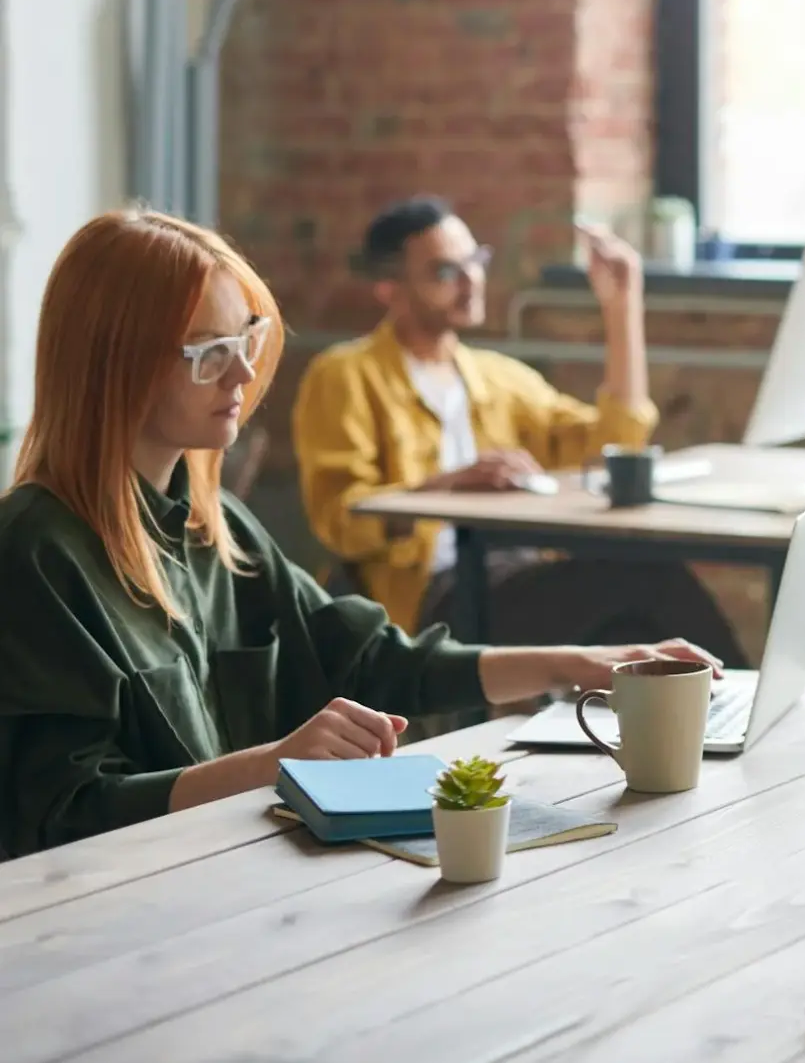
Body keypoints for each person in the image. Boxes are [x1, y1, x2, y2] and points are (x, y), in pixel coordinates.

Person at [0, 210, 724, 857]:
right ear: (116, 368)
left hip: (231, 871)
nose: (246, 371)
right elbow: (61, 819)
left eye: (247, 337)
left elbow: (378, 659)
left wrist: (577, 663)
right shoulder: (36, 552)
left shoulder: (213, 529)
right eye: (209, 353)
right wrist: (274, 763)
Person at [290, 197, 740, 661]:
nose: (471, 283)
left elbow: (614, 441)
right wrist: (447, 487)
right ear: (389, 288)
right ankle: (746, 712)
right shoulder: (345, 375)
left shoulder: (498, 376)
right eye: (445, 273)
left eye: (475, 262)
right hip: (433, 597)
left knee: (636, 617)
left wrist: (621, 307)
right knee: (646, 581)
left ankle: (717, 718)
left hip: (516, 576)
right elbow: (340, 522)